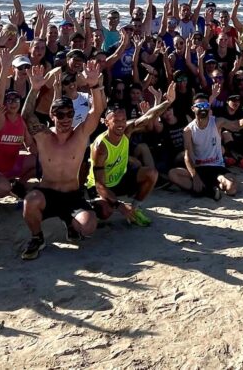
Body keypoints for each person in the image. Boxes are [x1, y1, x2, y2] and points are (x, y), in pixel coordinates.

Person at [20, 62, 107, 260]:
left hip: (72, 195)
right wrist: (34, 89)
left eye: (69, 114)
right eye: (60, 115)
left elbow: (96, 112)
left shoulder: (80, 134)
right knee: (30, 202)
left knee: (88, 227)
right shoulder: (43, 136)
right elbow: (26, 115)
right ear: (52, 115)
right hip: (47, 193)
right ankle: (37, 237)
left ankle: (70, 222)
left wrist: (94, 86)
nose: (66, 118)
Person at [88, 85, 176, 226]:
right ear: (106, 122)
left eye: (123, 120)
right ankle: (94, 204)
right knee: (105, 212)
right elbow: (99, 185)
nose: (121, 124)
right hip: (103, 186)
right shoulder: (101, 147)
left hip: (121, 178)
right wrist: (120, 206)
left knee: (151, 173)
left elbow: (148, 116)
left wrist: (167, 102)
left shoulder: (126, 130)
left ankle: (135, 208)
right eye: (116, 120)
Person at [168, 93, 243, 198]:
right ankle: (209, 189)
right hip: (199, 168)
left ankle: (207, 189)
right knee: (173, 174)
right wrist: (195, 176)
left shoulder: (217, 122)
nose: (203, 108)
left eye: (206, 106)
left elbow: (236, 125)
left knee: (231, 188)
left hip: (217, 167)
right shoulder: (188, 130)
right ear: (193, 109)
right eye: (200, 106)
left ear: (209, 107)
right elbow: (187, 156)